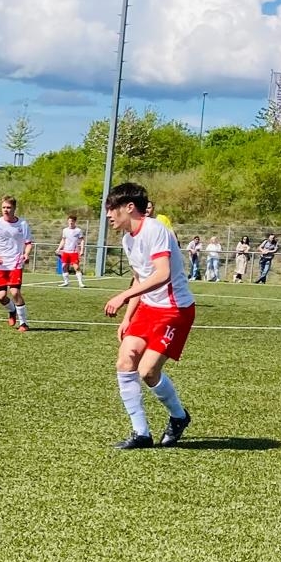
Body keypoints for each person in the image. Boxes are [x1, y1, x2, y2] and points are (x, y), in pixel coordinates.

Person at [102, 182, 194, 450]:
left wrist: (122, 296)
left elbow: (162, 274)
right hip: (148, 308)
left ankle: (179, 416)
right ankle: (141, 433)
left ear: (129, 207)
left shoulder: (155, 229)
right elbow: (140, 279)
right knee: (125, 360)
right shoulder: (127, 239)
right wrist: (128, 317)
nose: (108, 214)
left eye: (112, 208)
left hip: (174, 310)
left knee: (148, 371)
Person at [0, 195, 33, 330]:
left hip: (15, 262)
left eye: (8, 207)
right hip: (0, 264)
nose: (6, 210)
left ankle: (23, 323)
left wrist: (26, 254)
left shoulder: (22, 224)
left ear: (14, 208)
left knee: (15, 292)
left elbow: (28, 243)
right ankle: (12, 310)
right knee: (1, 297)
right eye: (3, 207)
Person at [56, 214, 86, 288]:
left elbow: (82, 240)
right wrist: (59, 248)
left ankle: (80, 283)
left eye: (72, 221)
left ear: (75, 222)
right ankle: (66, 282)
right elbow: (63, 240)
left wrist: (82, 250)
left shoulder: (78, 230)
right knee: (64, 266)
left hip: (74, 252)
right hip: (66, 251)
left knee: (76, 267)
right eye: (69, 221)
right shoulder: (65, 230)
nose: (70, 222)